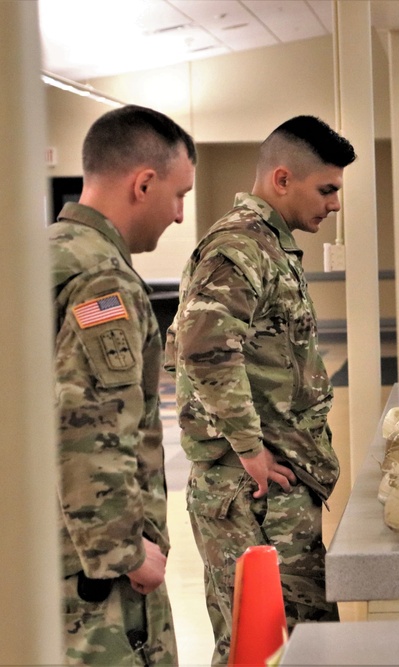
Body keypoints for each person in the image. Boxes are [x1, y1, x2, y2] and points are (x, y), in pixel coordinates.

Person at [164, 116, 356, 664]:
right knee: (258, 647)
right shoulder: (239, 247)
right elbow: (203, 347)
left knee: (302, 644)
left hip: (276, 482)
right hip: (249, 491)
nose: (334, 204)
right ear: (281, 179)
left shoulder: (270, 245)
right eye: (327, 189)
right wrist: (249, 450)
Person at [52, 104, 196, 665]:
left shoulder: (44, 254)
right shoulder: (103, 280)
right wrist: (124, 553)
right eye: (179, 194)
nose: (180, 215)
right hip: (91, 578)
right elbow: (87, 425)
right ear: (143, 183)